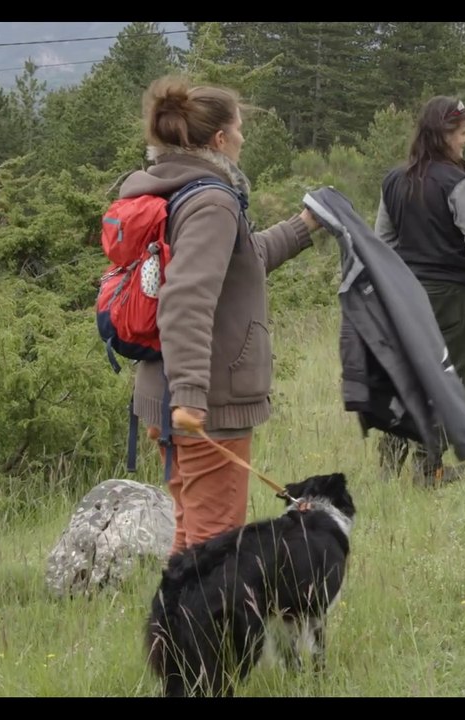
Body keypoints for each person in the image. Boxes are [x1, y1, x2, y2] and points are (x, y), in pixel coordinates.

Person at [117, 75, 323, 557]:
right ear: (219, 139)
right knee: (214, 550)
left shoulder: (176, 187)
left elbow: (241, 262)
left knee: (192, 540)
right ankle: (201, 634)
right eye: (240, 127)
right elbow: (186, 299)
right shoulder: (212, 201)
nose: (244, 137)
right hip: (205, 402)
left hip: (169, 391)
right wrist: (190, 399)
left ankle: (171, 633)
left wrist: (304, 225)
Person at [374, 95, 465, 486]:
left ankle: (389, 465)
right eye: (463, 133)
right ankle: (428, 469)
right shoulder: (458, 183)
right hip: (453, 296)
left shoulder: (394, 181)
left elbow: (383, 240)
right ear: (444, 134)